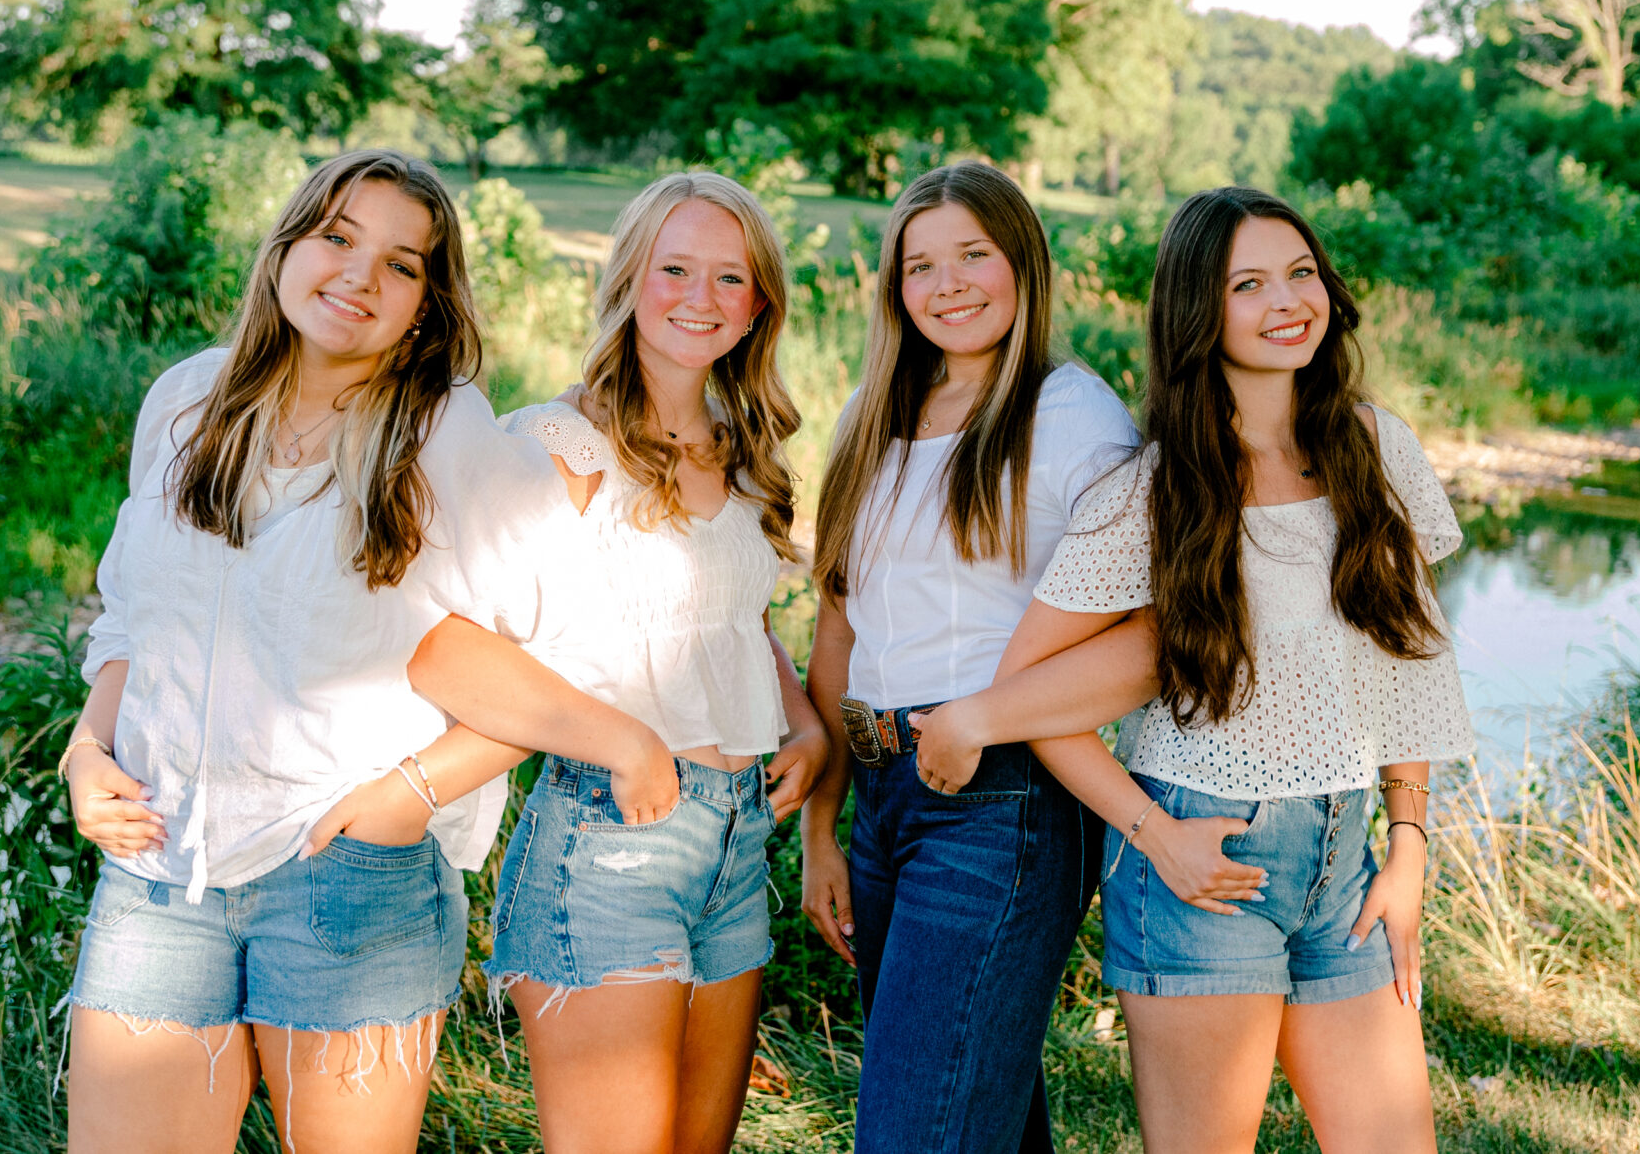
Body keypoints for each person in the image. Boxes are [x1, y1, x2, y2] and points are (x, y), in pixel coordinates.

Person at [59, 149, 669, 1154]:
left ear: (427, 302)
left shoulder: (441, 431)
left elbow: (540, 647)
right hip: (157, 868)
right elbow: (136, 617)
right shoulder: (184, 400)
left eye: (401, 263)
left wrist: (413, 794)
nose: (358, 275)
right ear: (288, 246)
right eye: (338, 237)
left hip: (344, 879)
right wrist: (88, 751)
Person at [911, 186, 1472, 1154]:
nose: (1285, 300)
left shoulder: (1378, 447)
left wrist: (1411, 842)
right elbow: (1033, 698)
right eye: (1246, 283)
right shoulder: (1152, 489)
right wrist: (1153, 834)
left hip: (1345, 858)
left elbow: (1409, 657)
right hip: (1200, 860)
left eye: (1299, 273)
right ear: (1197, 315)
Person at [409, 170, 830, 1154]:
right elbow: (439, 646)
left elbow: (725, 624)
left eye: (730, 278)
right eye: (674, 267)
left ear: (759, 302)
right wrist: (623, 739)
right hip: (609, 838)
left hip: (733, 846)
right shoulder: (558, 445)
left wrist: (803, 720)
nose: (699, 297)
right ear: (631, 277)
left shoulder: (741, 450)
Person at [797, 161, 1138, 1154]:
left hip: (1002, 798)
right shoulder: (875, 411)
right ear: (894, 288)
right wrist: (823, 826)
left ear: (1021, 260)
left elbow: (1145, 637)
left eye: (973, 255)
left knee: (918, 1128)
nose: (948, 284)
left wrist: (982, 716)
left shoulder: (1069, 414)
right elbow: (838, 622)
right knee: (969, 1104)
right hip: (880, 793)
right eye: (920, 265)